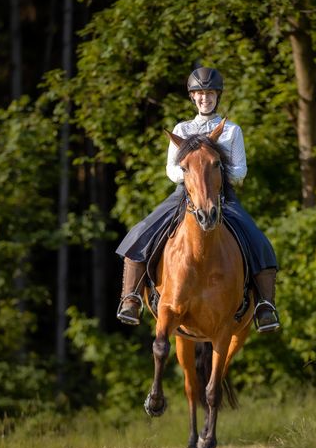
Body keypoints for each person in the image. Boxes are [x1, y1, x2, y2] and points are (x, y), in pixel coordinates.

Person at [116, 66, 280, 333]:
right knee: (141, 231)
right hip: (185, 194)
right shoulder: (182, 129)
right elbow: (171, 169)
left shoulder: (231, 131)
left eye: (210, 94)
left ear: (217, 96)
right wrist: (192, 176)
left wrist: (213, 173)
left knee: (257, 240)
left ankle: (264, 306)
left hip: (222, 196)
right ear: (193, 97)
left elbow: (240, 171)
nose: (205, 98)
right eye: (200, 94)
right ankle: (130, 298)